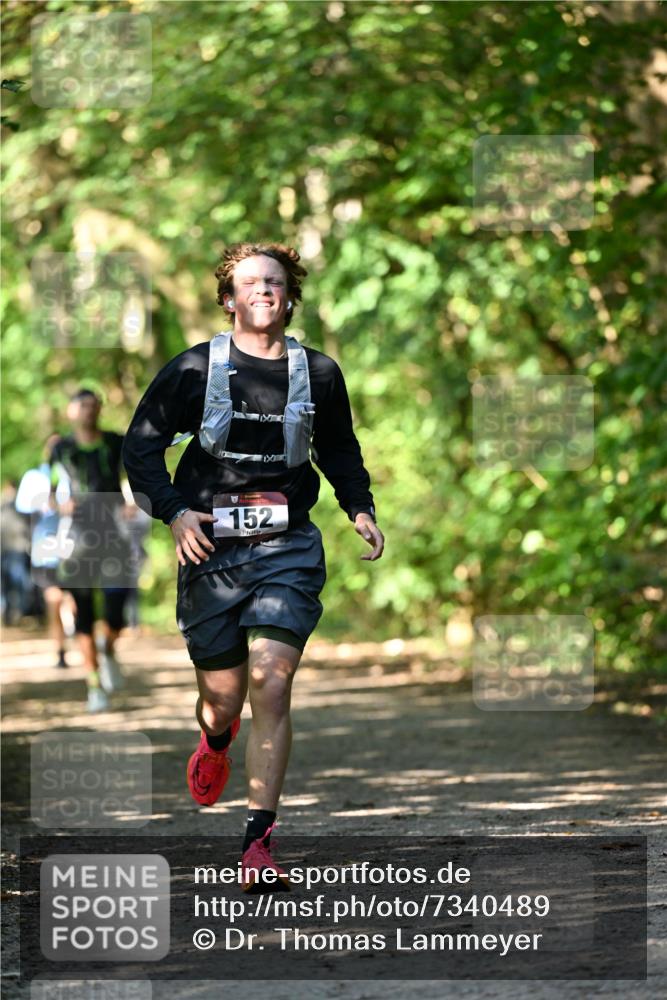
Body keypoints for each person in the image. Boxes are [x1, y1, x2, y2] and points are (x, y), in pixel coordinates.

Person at [122, 242, 384, 889]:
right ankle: (216, 740)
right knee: (223, 700)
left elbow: (338, 447)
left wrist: (358, 506)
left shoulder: (318, 373)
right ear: (228, 299)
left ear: (290, 298)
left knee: (272, 679)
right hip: (211, 550)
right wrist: (175, 513)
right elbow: (140, 451)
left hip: (286, 545)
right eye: (249, 283)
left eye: (274, 282)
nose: (263, 290)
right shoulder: (194, 369)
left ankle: (257, 844)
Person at [49, 389, 133, 712]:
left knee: (117, 610)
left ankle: (107, 648)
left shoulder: (114, 442)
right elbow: (52, 490)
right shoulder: (61, 449)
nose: (90, 410)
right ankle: (94, 685)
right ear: (71, 411)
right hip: (77, 541)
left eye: (95, 405)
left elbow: (133, 477)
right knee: (83, 613)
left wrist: (131, 503)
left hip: (113, 536)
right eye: (83, 405)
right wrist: (60, 504)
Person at [16, 434, 75, 669]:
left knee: (74, 599)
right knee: (54, 599)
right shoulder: (34, 477)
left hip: (75, 548)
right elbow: (23, 509)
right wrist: (45, 503)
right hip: (46, 550)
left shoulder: (75, 473)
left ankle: (82, 641)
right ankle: (60, 650)